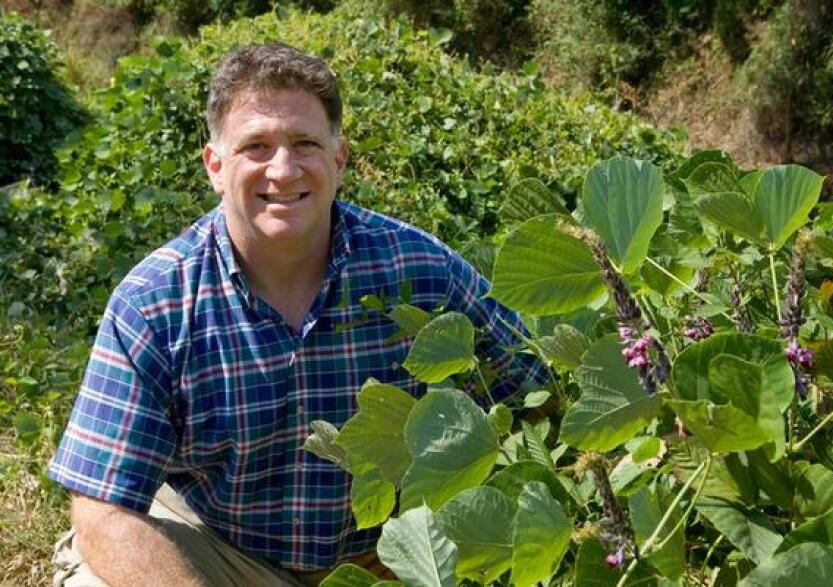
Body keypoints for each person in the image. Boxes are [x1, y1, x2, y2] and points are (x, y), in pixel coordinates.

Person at [48, 43, 545, 586]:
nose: (282, 170)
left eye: (304, 143)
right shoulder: (155, 302)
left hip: (392, 556)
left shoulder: (421, 270)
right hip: (221, 552)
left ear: (339, 159)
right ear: (215, 166)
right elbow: (102, 511)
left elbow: (538, 397)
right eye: (256, 146)